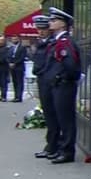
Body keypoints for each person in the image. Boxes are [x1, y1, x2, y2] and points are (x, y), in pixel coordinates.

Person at [43, 7, 82, 164]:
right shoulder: (58, 41)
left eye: (54, 20)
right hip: (58, 84)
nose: (50, 23)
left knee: (66, 120)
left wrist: (61, 77)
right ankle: (61, 148)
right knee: (59, 118)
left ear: (63, 24)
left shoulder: (65, 42)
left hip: (64, 85)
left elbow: (71, 66)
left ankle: (67, 151)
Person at [31, 15, 59, 159]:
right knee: (49, 115)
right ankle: (51, 145)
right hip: (43, 81)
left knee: (52, 115)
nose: (41, 32)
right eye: (39, 29)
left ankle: (53, 146)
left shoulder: (51, 44)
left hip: (48, 81)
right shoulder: (42, 43)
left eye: (44, 28)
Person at [6, 35, 27, 102]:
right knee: (15, 82)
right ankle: (15, 96)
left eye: (15, 39)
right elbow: (8, 56)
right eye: (13, 39)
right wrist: (9, 62)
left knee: (20, 82)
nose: (14, 40)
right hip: (12, 67)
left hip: (19, 67)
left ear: (18, 40)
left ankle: (19, 97)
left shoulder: (22, 48)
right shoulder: (11, 48)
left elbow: (22, 57)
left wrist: (15, 63)